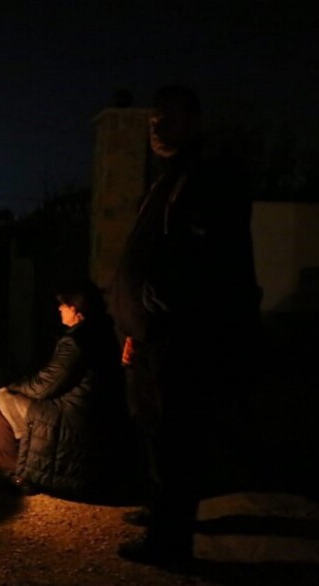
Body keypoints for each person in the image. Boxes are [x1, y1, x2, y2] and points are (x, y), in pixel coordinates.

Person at [110, 86, 261, 565]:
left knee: (179, 435)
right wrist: (134, 327)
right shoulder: (167, 178)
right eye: (154, 121)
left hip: (185, 334)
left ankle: (170, 540)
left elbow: (205, 259)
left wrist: (160, 305)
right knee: (157, 428)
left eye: (168, 120)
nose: (157, 128)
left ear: (193, 122)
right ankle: (163, 512)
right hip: (154, 333)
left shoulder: (207, 175)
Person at [0, 280, 131, 497]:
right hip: (94, 409)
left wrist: (15, 386)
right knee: (16, 400)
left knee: (1, 398)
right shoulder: (103, 330)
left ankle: (14, 471)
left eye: (62, 306)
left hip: (74, 415)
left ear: (74, 310)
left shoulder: (76, 341)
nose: (59, 309)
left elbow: (44, 386)